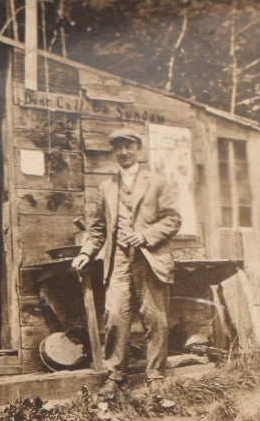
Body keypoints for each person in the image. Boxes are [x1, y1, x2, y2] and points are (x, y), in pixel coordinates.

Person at [71, 128, 181, 398]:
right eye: (118, 147)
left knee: (155, 318)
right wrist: (86, 252)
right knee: (115, 316)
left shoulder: (158, 182)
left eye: (129, 146)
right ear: (113, 152)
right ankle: (115, 375)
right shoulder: (107, 187)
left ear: (139, 149)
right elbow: (97, 229)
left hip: (150, 257)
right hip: (118, 259)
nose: (124, 152)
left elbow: (173, 220)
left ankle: (155, 375)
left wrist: (145, 235)